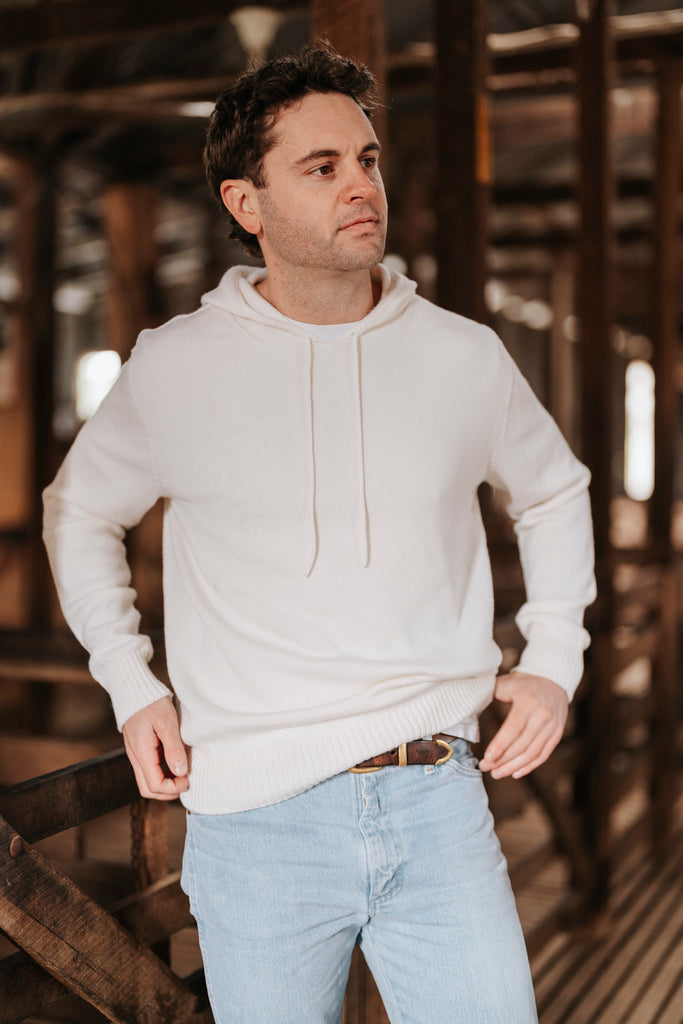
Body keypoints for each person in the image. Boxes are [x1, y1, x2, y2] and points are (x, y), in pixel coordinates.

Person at [43, 46, 595, 1024]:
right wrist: (130, 681)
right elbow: (79, 511)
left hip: (437, 798)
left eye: (367, 159)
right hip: (256, 820)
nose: (360, 185)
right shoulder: (175, 368)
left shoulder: (463, 355)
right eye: (322, 166)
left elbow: (552, 491)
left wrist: (554, 658)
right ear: (245, 203)